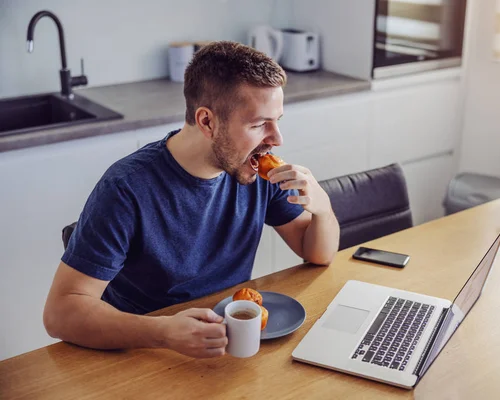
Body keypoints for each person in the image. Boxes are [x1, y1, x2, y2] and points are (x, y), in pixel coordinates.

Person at [43, 41, 340, 359]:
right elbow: (60, 313)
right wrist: (162, 332)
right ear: (207, 122)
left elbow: (318, 254)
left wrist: (321, 206)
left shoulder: (254, 167)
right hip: (145, 355)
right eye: (258, 125)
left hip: (228, 345)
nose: (277, 138)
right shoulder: (125, 189)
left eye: (277, 120)